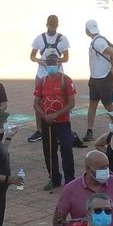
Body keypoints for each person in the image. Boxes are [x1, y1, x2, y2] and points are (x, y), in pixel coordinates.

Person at [34, 53, 78, 190]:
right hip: (47, 122)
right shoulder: (42, 82)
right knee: (49, 151)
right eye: (49, 63)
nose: (51, 66)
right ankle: (54, 178)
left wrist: (56, 114)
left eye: (54, 63)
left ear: (58, 64)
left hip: (63, 121)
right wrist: (44, 116)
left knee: (66, 150)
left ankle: (70, 179)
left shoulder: (66, 80)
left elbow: (72, 103)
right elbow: (36, 104)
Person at [55, 150, 113, 226]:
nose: (106, 171)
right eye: (101, 168)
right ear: (88, 168)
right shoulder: (70, 189)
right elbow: (58, 221)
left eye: (107, 166)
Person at [28, 15, 71, 143]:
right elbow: (32, 56)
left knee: (59, 100)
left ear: (57, 26)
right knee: (39, 101)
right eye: (50, 26)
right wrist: (39, 61)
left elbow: (66, 58)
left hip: (58, 74)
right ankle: (39, 130)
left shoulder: (63, 39)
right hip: (41, 74)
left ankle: (59, 129)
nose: (52, 29)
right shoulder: (39, 38)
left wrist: (55, 61)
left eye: (54, 27)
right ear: (46, 25)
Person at [82, 19, 113, 144]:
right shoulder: (97, 40)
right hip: (95, 78)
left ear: (87, 30)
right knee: (93, 104)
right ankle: (89, 130)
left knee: (108, 105)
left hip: (103, 78)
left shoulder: (98, 42)